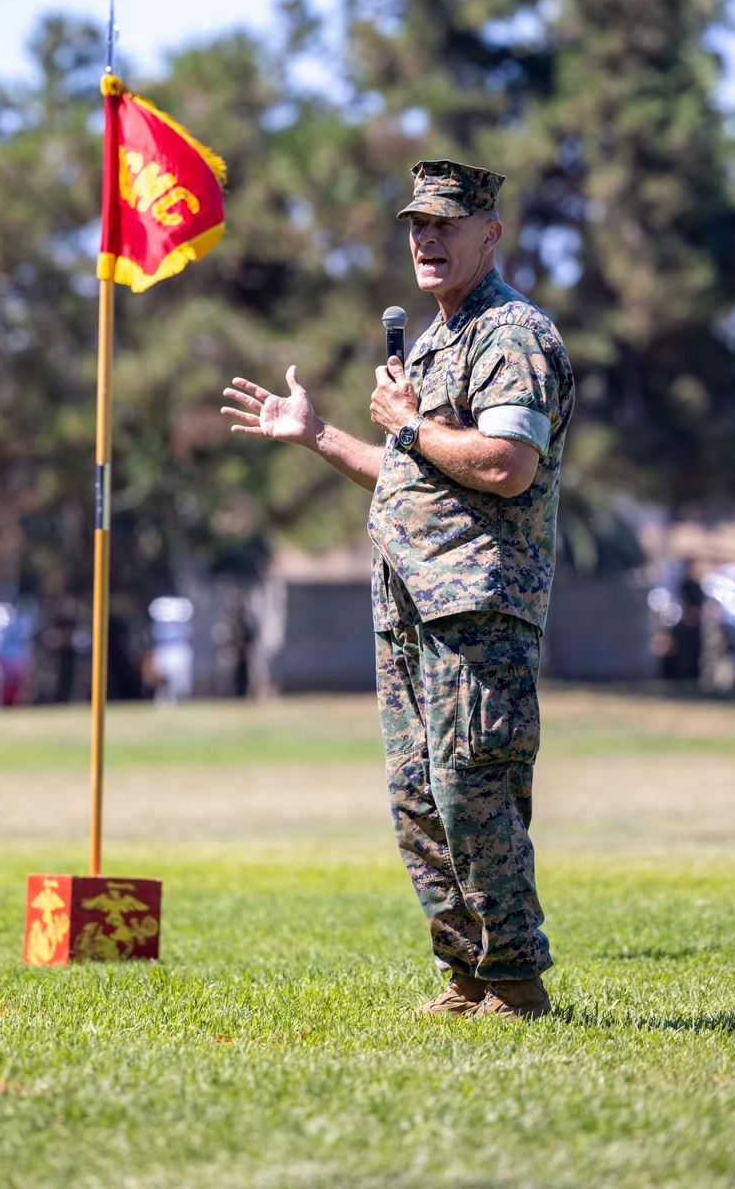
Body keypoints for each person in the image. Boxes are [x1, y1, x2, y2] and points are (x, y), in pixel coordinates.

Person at [221, 159, 574, 1020]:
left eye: (445, 223)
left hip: (477, 603)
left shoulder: (512, 334)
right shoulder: (435, 338)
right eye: (416, 223)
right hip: (411, 603)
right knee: (417, 792)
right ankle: (464, 974)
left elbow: (504, 463)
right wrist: (316, 435)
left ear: (490, 234)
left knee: (472, 785)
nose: (426, 238)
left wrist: (414, 422)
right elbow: (408, 475)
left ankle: (516, 981)